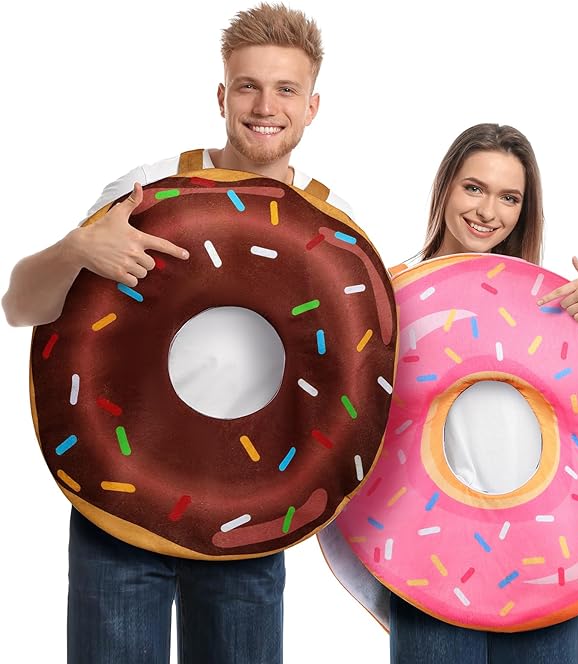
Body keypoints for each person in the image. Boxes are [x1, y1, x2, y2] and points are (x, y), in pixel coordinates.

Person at [2, 4, 351, 663]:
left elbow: (349, 386)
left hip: (249, 519)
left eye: (285, 89)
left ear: (311, 106)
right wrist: (77, 248)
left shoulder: (334, 232)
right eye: (247, 85)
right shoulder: (143, 194)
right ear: (222, 95)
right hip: (122, 507)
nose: (264, 106)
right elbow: (20, 304)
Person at [319, 122, 578, 664]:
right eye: (474, 188)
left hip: (543, 557)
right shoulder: (393, 295)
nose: (489, 211)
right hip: (431, 553)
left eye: (509, 197)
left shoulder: (546, 303)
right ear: (445, 189)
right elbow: (342, 408)